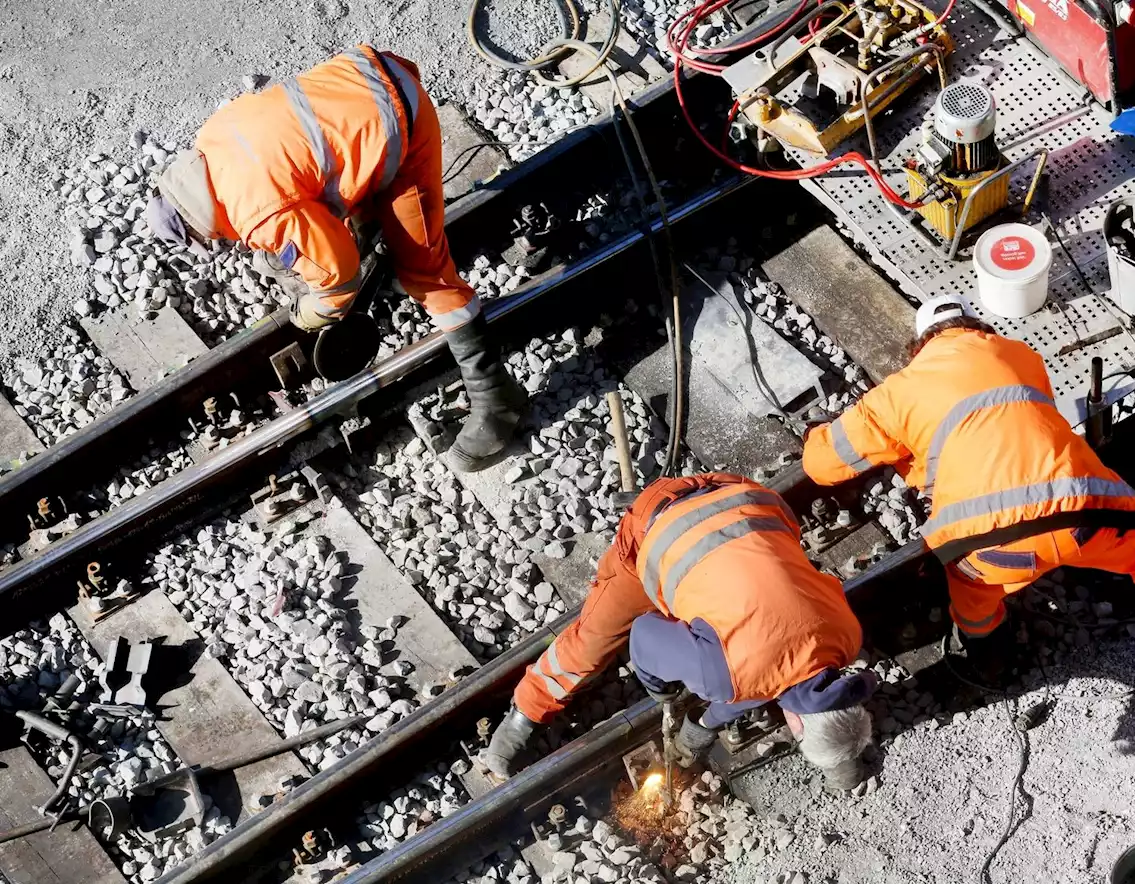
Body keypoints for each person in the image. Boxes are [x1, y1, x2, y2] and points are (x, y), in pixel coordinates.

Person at [802, 295, 1135, 702]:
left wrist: (828, 435)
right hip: (1084, 514)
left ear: (919, 347)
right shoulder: (1021, 355)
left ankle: (993, 661)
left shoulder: (898, 391)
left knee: (973, 595)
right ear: (977, 328)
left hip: (987, 545)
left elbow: (821, 466)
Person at [144, 46, 525, 471]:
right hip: (368, 74)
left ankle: (497, 397)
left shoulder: (255, 212)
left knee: (427, 275)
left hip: (403, 122)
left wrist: (311, 314)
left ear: (201, 225)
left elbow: (338, 278)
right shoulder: (212, 139)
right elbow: (303, 164)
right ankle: (379, 230)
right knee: (333, 196)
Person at [483, 473, 876, 790]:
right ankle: (528, 707)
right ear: (799, 724)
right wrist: (661, 688)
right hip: (658, 525)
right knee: (594, 638)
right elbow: (642, 636)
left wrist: (706, 722)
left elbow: (763, 675)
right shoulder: (723, 678)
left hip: (747, 499)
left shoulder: (848, 636)